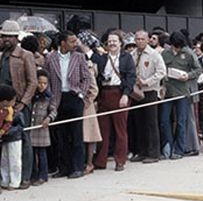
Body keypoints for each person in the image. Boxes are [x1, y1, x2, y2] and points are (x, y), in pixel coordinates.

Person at [45, 30, 91, 179]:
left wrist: (81, 94)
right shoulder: (50, 58)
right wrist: (50, 97)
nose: (75, 44)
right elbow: (47, 78)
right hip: (57, 99)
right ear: (62, 43)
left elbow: (86, 78)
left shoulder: (79, 57)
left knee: (76, 134)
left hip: (74, 97)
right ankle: (64, 167)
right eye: (71, 41)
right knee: (61, 135)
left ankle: (78, 167)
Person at [89, 31, 136, 172]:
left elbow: (131, 77)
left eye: (115, 41)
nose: (112, 43)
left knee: (120, 130)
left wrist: (126, 94)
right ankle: (101, 160)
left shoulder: (126, 58)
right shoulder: (102, 58)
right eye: (110, 41)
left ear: (120, 43)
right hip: (104, 93)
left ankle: (120, 160)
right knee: (104, 129)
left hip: (119, 93)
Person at [0, 20, 38, 189]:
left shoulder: (25, 55)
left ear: (16, 38)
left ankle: (26, 177)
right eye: (3, 36)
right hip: (3, 104)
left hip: (20, 105)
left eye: (9, 36)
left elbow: (33, 82)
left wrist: (22, 103)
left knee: (24, 140)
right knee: (5, 142)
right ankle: (6, 177)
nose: (6, 39)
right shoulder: (2, 55)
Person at [160, 31, 202, 160]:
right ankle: (168, 145)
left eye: (179, 46)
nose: (177, 49)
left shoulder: (188, 53)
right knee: (164, 120)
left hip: (182, 91)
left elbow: (198, 69)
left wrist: (188, 76)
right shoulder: (164, 54)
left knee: (181, 122)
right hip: (167, 91)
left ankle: (179, 149)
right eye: (175, 46)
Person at [130, 30, 166, 164]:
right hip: (136, 91)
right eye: (137, 39)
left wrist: (148, 81)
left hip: (150, 90)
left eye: (142, 39)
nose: (139, 41)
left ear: (147, 40)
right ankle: (142, 151)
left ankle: (154, 153)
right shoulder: (132, 54)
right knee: (138, 122)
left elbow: (161, 72)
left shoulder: (154, 54)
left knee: (151, 122)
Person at [29, 70, 55, 185]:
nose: (42, 86)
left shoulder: (49, 97)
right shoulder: (32, 96)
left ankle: (43, 176)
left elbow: (54, 110)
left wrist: (49, 118)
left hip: (42, 130)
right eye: (40, 82)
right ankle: (33, 174)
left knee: (42, 153)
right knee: (32, 154)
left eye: (44, 83)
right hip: (32, 128)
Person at [0, 85, 24, 190]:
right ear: (5, 101)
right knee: (4, 160)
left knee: (14, 160)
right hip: (4, 137)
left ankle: (14, 182)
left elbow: (9, 123)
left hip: (10, 137)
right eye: (13, 100)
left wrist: (3, 131)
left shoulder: (10, 111)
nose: (14, 103)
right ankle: (4, 181)